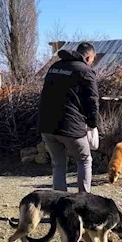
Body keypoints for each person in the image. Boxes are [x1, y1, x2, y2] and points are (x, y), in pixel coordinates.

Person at [38, 42, 99, 193]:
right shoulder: (85, 71)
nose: (92, 62)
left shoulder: (54, 67)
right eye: (93, 59)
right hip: (70, 127)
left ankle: (60, 205)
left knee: (58, 164)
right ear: (89, 56)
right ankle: (83, 202)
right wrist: (92, 124)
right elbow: (92, 101)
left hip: (47, 125)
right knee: (84, 160)